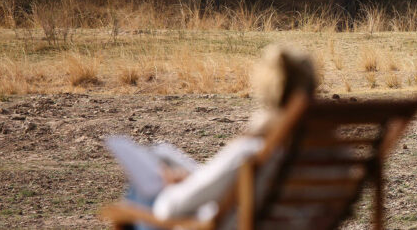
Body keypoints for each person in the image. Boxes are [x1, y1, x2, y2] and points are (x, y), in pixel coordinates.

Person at [105, 45, 317, 229]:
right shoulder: (330, 154)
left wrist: (175, 187)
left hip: (218, 223)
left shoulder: (250, 152)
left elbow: (169, 210)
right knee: (164, 157)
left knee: (143, 193)